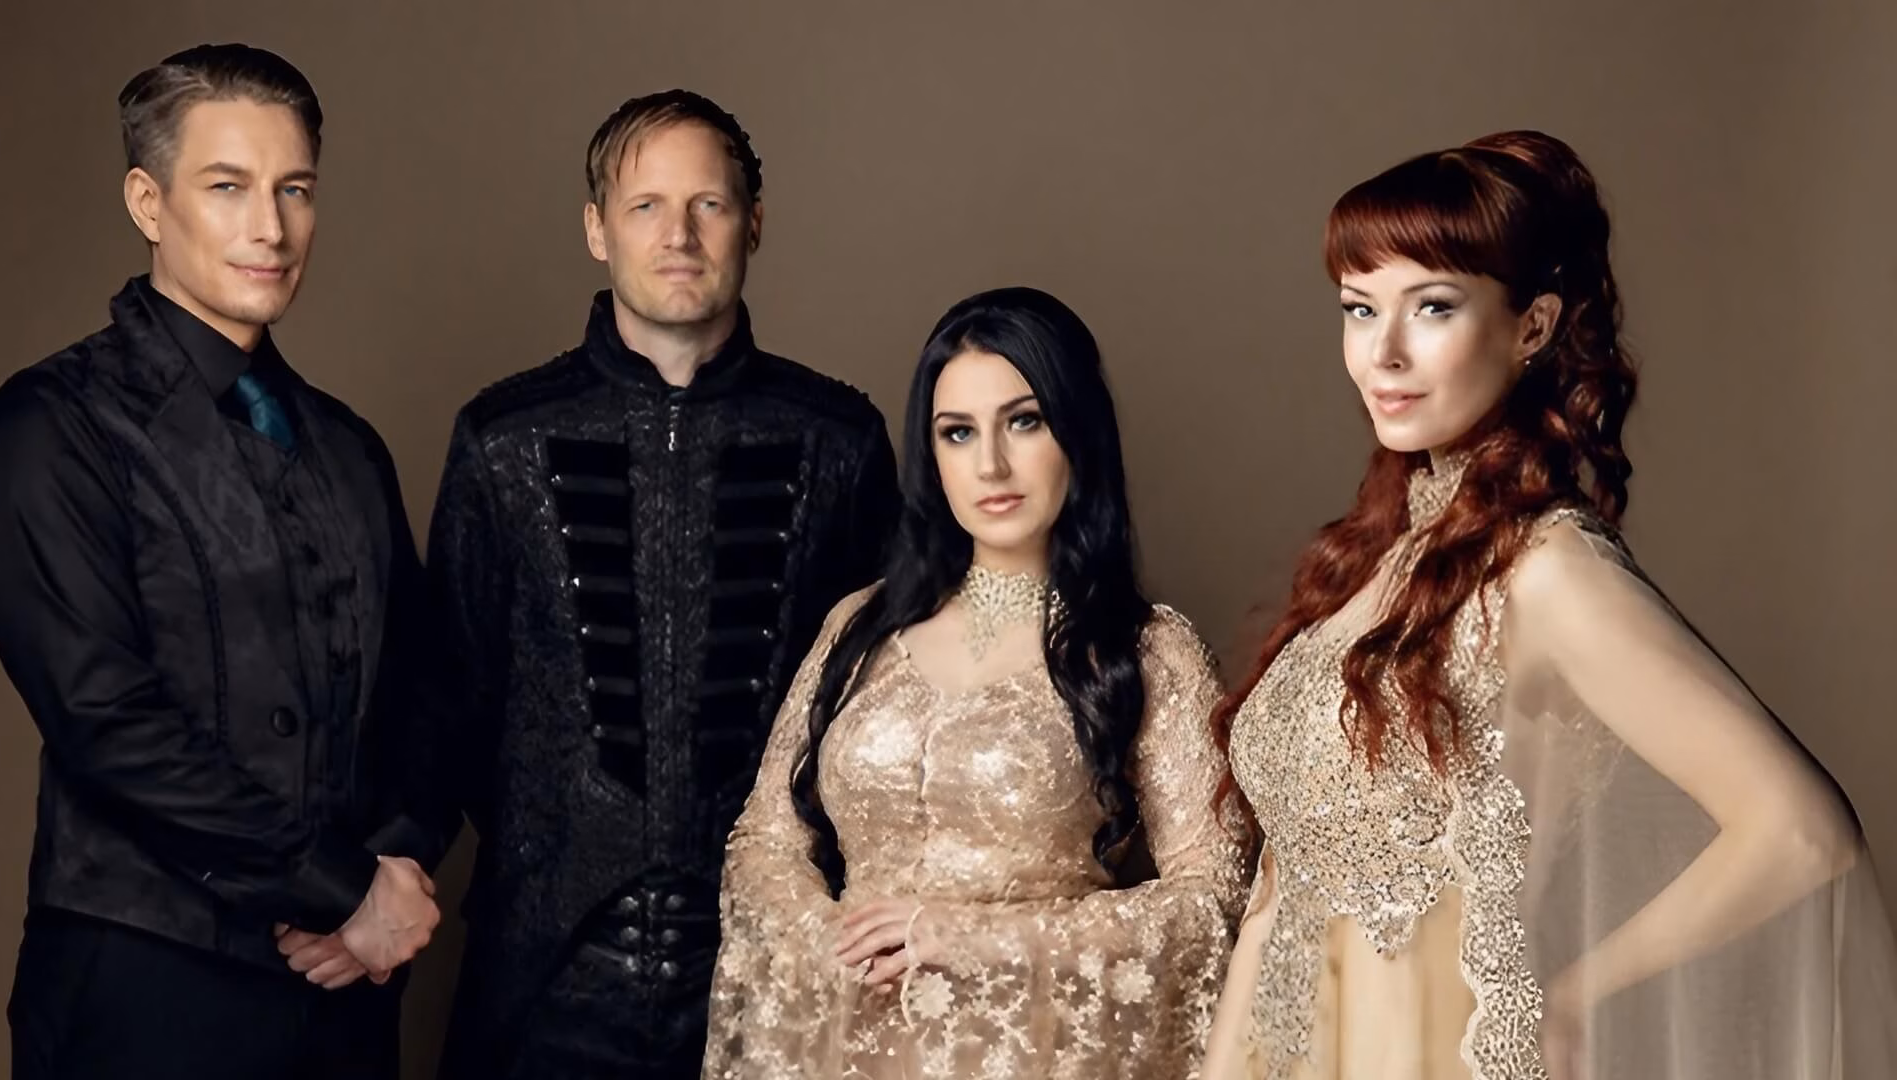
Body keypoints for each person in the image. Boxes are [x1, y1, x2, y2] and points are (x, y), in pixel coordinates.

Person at [1202, 130, 1897, 1079]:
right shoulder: (1374, 562)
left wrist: (1576, 995)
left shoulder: (1546, 568)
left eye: (1432, 308)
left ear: (1531, 326)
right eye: (1360, 311)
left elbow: (1800, 829)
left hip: (1435, 1048)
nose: (1384, 354)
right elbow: (1281, 887)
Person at [0, 43, 447, 1080]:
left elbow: (425, 693)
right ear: (147, 199)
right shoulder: (51, 427)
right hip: (146, 985)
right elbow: (106, 721)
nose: (270, 227)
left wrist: (389, 879)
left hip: (342, 987)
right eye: (228, 188)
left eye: (294, 189)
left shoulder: (346, 444)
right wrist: (339, 888)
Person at [424, 89, 901, 1078]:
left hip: (769, 963)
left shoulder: (839, 440)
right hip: (547, 969)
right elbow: (447, 704)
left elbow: (878, 707)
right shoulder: (502, 439)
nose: (678, 233)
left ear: (754, 222)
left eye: (709, 205)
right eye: (645, 205)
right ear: (597, 228)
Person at [704, 286, 1247, 1079]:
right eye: (957, 434)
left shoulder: (1146, 650)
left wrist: (968, 941)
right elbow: (764, 841)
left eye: (1023, 422)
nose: (990, 464)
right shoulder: (859, 629)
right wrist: (831, 938)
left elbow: (1214, 895)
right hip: (848, 1050)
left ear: (1077, 432)